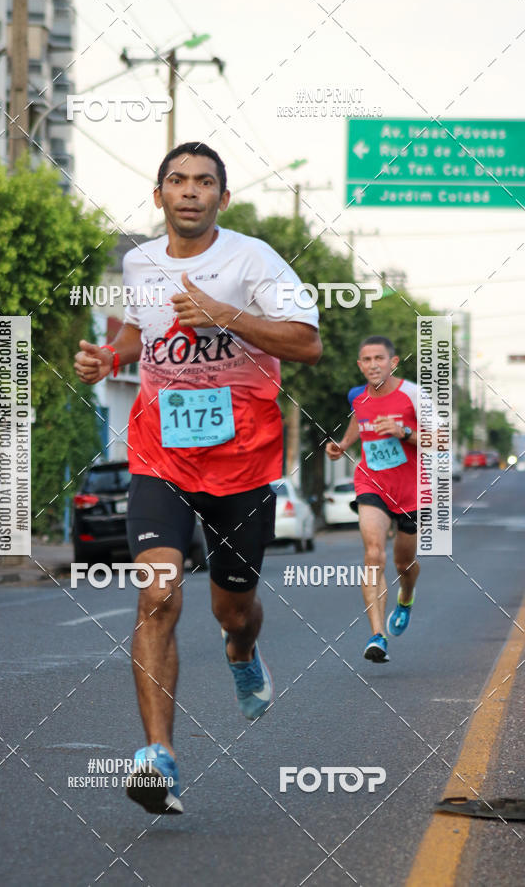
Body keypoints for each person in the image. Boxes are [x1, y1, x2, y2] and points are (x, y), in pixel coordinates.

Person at [74, 142, 321, 814]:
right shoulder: (139, 262)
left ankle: (242, 652)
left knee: (231, 609)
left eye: (204, 182)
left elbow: (307, 343)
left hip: (243, 462)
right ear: (159, 196)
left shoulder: (254, 260)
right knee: (157, 597)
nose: (190, 191)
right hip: (162, 458)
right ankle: (161, 758)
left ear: (222, 197)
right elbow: (137, 334)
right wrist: (108, 356)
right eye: (177, 181)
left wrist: (226, 315)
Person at [326, 336, 435, 664]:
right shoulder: (356, 395)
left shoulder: (415, 395)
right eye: (366, 359)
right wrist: (344, 443)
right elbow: (358, 418)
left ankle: (406, 596)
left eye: (379, 358)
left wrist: (404, 432)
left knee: (404, 564)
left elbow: (441, 440)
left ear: (394, 361)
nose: (373, 364)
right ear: (360, 365)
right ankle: (377, 635)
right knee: (373, 554)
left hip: (413, 490)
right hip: (371, 482)